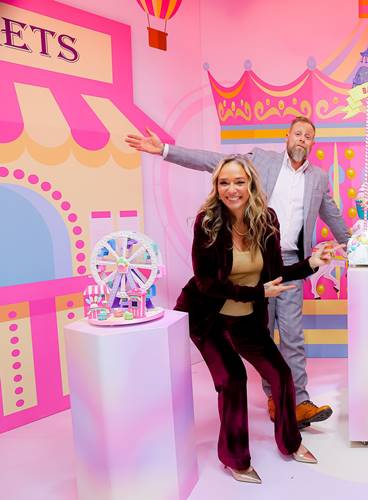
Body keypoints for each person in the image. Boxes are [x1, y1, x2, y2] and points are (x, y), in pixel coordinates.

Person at [126, 117, 349, 428]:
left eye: (308, 136)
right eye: (297, 133)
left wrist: (352, 245)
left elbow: (332, 214)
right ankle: (275, 398)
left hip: (291, 263)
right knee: (262, 332)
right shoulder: (261, 160)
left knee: (293, 335)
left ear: (312, 143)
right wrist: (165, 150)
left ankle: (299, 402)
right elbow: (213, 162)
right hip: (254, 261)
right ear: (287, 137)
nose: (302, 139)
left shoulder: (318, 178)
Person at [175, 156, 334, 482]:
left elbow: (274, 274)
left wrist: (311, 264)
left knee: (281, 374)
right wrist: (258, 293)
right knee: (233, 380)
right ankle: (235, 458)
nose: (231, 189)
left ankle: (290, 442)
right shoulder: (207, 223)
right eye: (224, 182)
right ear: (217, 187)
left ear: (250, 185)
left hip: (246, 317)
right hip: (208, 317)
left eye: (239, 182)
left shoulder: (267, 220)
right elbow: (208, 284)